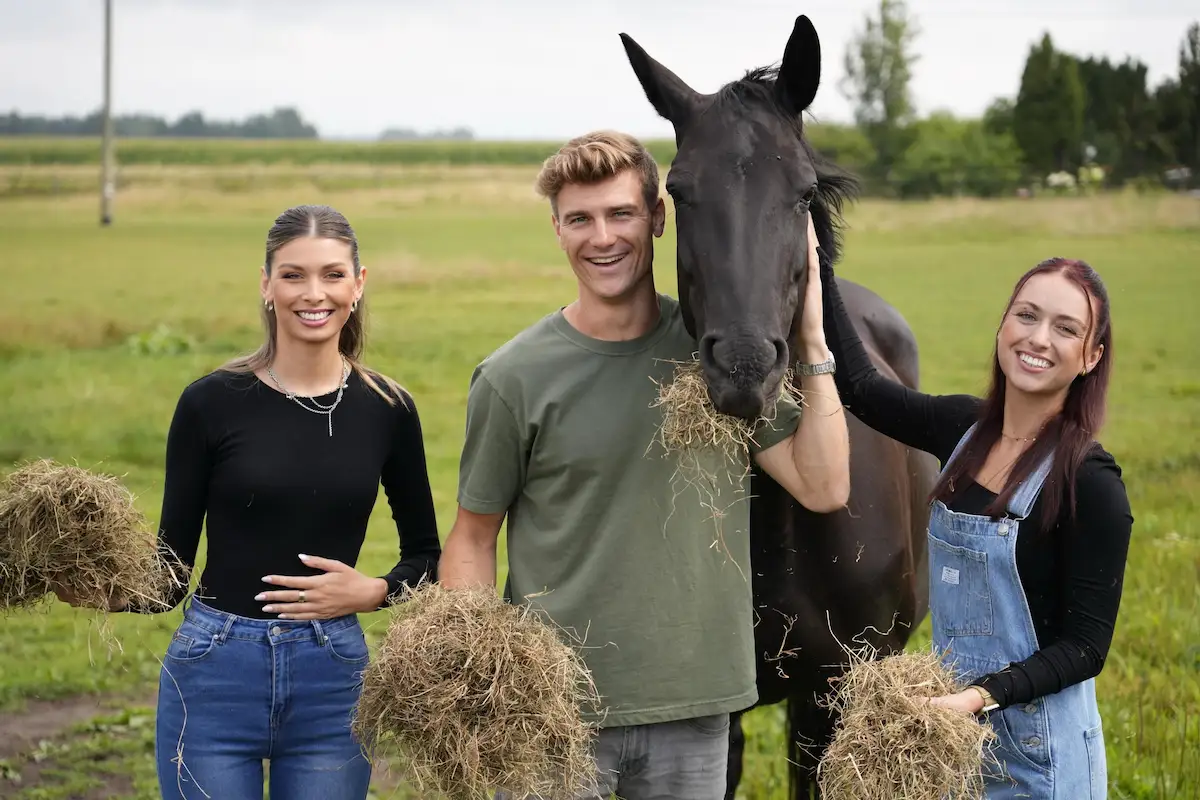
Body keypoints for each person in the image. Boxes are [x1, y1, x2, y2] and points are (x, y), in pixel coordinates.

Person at [437, 130, 850, 800]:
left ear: (658, 218)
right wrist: (476, 679)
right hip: (554, 712)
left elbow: (824, 484)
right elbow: (473, 537)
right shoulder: (514, 378)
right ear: (557, 230)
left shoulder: (713, 358)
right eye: (580, 219)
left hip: (696, 704)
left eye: (621, 214)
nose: (602, 237)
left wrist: (811, 340)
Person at [54, 204, 442, 800]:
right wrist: (89, 585)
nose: (314, 293)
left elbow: (426, 556)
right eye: (293, 275)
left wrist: (375, 591)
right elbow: (169, 575)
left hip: (333, 676)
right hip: (213, 671)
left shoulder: (387, 408)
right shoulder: (211, 403)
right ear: (266, 286)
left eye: (333, 275)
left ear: (358, 285)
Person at [819, 250, 1133, 798]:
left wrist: (974, 698)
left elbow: (1085, 647)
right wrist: (813, 262)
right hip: (955, 754)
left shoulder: (1090, 481)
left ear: (1091, 356)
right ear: (1003, 324)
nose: (1038, 338)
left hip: (1040, 763)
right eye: (1027, 315)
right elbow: (862, 388)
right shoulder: (961, 429)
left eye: (1066, 328)